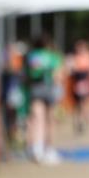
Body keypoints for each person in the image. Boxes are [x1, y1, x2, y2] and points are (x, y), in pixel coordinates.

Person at [24, 34, 64, 165]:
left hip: (36, 88)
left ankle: (37, 148)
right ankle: (49, 149)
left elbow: (29, 73)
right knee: (50, 120)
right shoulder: (53, 56)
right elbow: (58, 75)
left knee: (37, 118)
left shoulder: (32, 56)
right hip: (50, 88)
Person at [66, 39, 89, 135]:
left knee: (85, 102)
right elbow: (69, 70)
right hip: (76, 83)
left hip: (85, 82)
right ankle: (78, 121)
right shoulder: (73, 58)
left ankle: (85, 119)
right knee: (77, 104)